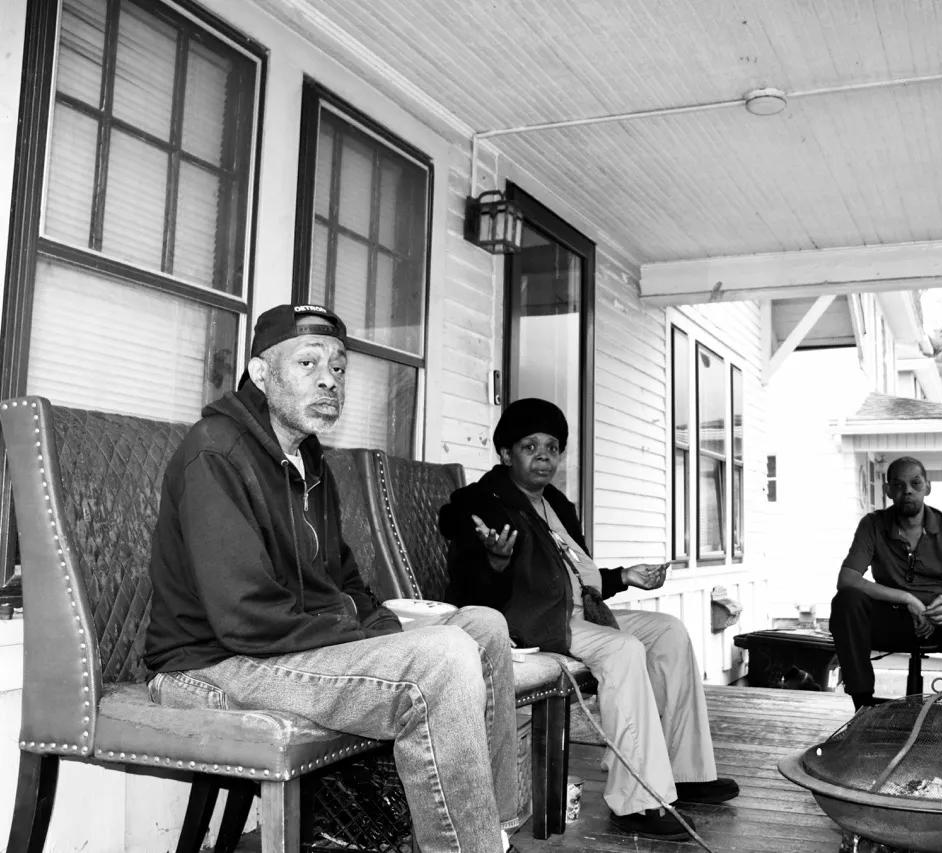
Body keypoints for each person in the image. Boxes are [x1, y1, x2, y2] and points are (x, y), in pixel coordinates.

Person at [144, 304, 521, 853]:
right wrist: (371, 636)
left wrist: (386, 626)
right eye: (308, 363)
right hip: (211, 663)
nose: (329, 379)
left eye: (339, 368)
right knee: (442, 658)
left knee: (483, 628)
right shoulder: (216, 452)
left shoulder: (309, 463)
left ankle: (494, 831)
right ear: (260, 373)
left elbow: (346, 580)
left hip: (284, 648)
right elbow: (244, 615)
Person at [438, 398, 739, 842]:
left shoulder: (556, 504)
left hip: (577, 613)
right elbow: (472, 592)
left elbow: (573, 576)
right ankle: (637, 800)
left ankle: (684, 770)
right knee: (623, 649)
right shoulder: (481, 504)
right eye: (529, 445)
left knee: (670, 633)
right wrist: (496, 561)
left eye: (553, 447)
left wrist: (624, 577)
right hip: (531, 624)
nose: (544, 456)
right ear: (505, 453)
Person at [829, 456, 942, 710]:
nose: (908, 490)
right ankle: (863, 706)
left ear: (927, 487)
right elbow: (847, 579)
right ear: (888, 490)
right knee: (846, 602)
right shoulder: (873, 525)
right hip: (894, 620)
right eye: (898, 485)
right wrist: (907, 599)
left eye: (915, 483)